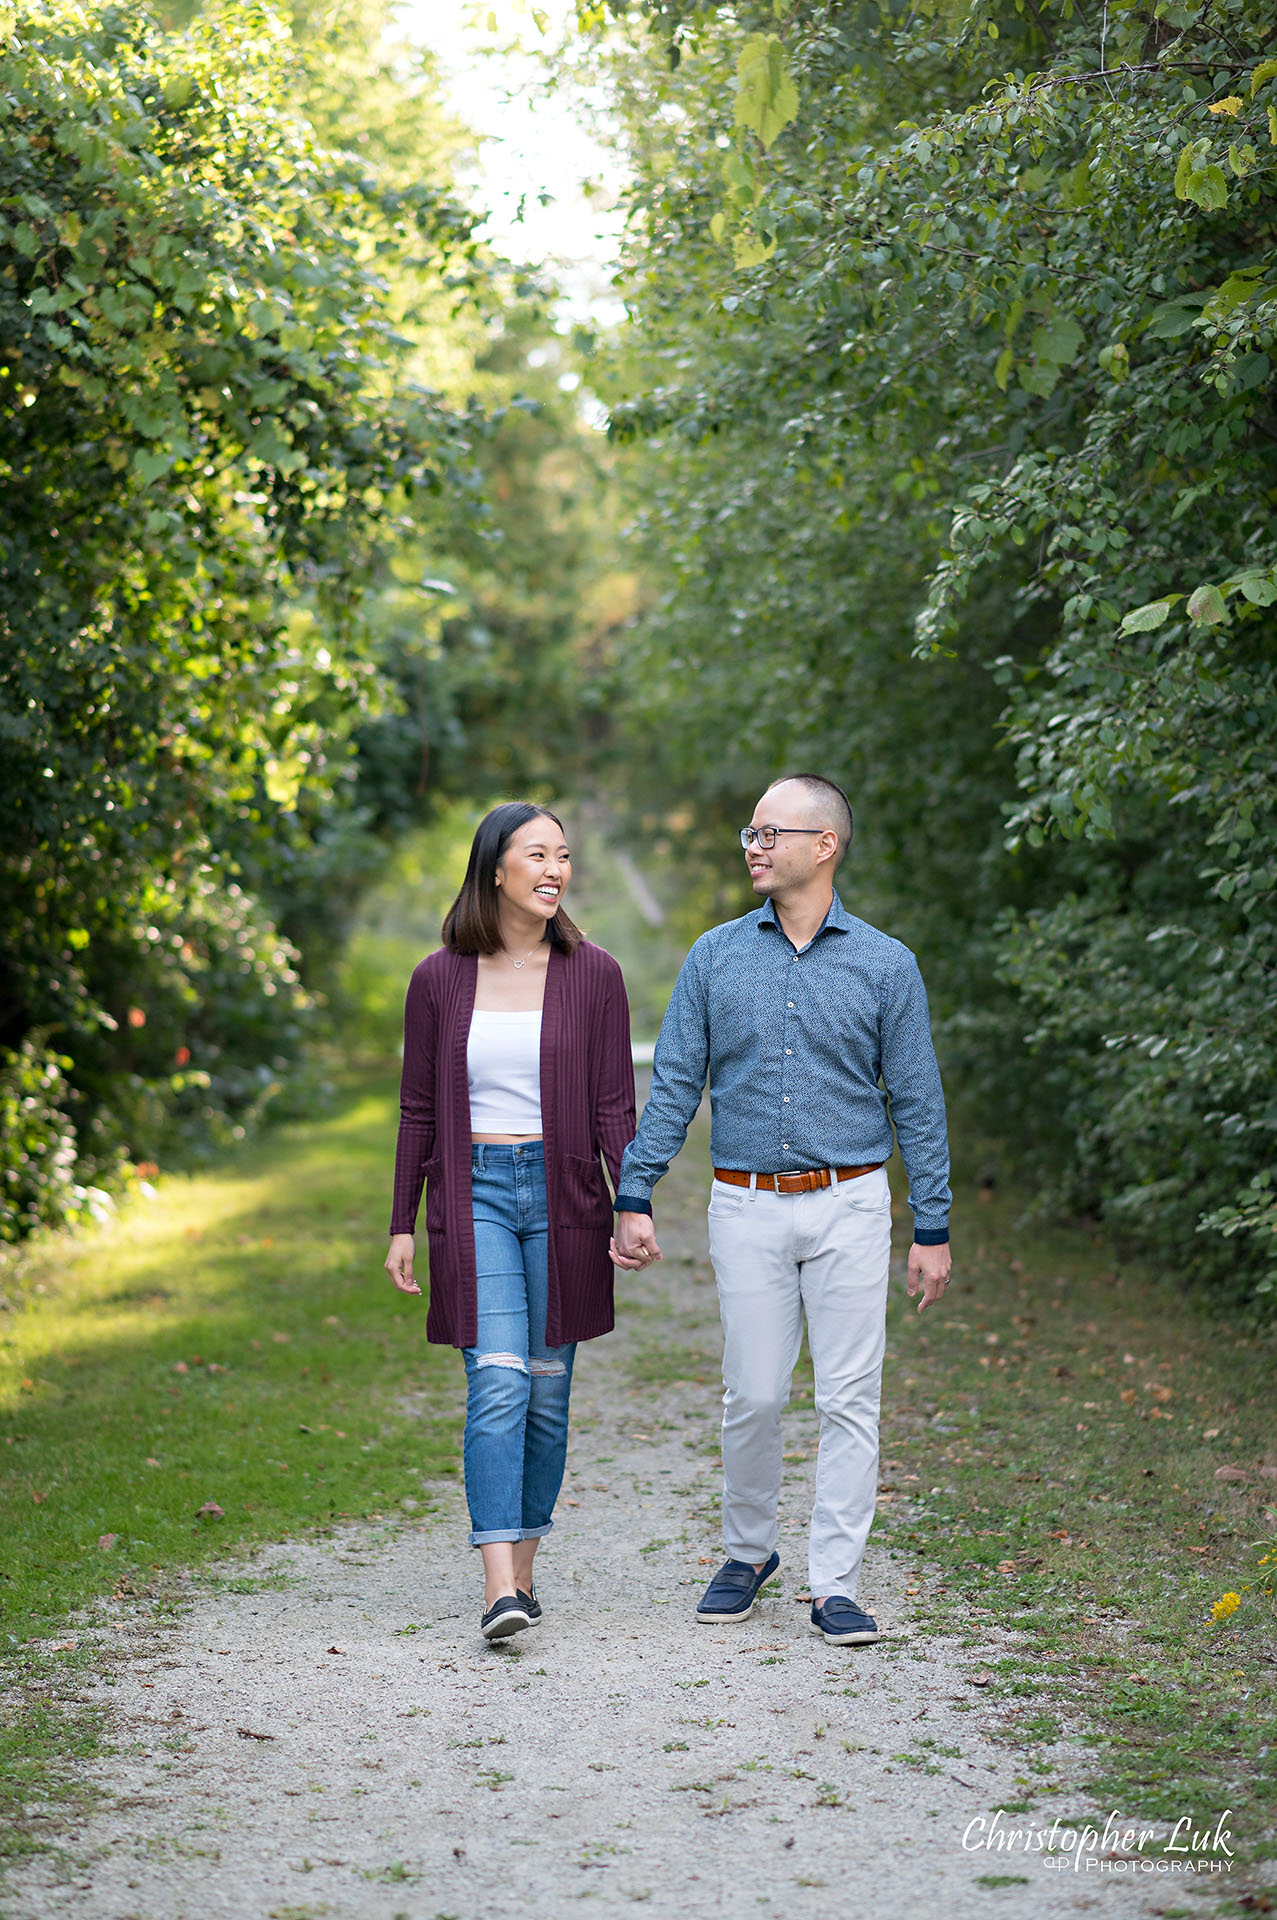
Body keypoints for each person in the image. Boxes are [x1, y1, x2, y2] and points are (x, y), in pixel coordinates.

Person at [612, 774, 951, 1646]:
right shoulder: (714, 957)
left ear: (823, 845)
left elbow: (917, 1100)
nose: (754, 846)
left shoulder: (886, 964)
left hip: (850, 1203)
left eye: (770, 832)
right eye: (749, 834)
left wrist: (933, 1227)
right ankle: (747, 1551)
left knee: (848, 1399)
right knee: (753, 1395)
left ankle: (834, 1583)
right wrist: (635, 1189)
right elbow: (676, 1084)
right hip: (746, 1204)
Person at [385, 802, 638, 1642]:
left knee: (545, 1394)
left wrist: (631, 1201)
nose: (554, 869)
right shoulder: (439, 978)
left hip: (563, 1195)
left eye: (563, 855)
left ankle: (523, 1574)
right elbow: (418, 1108)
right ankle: (497, 1588)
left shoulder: (594, 973)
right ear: (495, 867)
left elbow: (611, 1105)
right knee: (494, 1380)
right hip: (474, 1194)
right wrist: (400, 1223)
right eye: (537, 854)